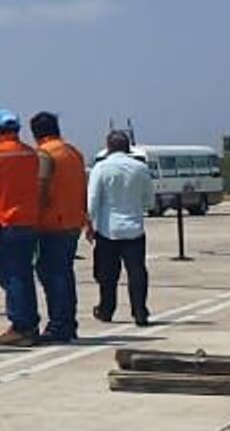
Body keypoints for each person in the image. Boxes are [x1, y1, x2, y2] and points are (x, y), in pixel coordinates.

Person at [0, 109, 44, 348]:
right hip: (28, 221)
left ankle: (21, 326)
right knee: (24, 274)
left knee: (11, 276)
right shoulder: (31, 153)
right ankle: (29, 323)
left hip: (4, 222)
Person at [31, 112, 87, 343]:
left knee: (53, 275)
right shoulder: (74, 152)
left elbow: (41, 187)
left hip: (51, 223)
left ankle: (59, 325)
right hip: (73, 221)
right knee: (64, 273)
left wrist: (34, 213)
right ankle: (67, 323)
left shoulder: (44, 154)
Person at [88, 130, 153, 326]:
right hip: (134, 229)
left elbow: (92, 200)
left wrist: (89, 223)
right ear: (128, 148)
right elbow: (149, 201)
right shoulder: (141, 168)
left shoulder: (101, 168)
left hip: (108, 230)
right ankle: (140, 311)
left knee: (106, 274)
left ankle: (106, 309)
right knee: (137, 272)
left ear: (108, 147)